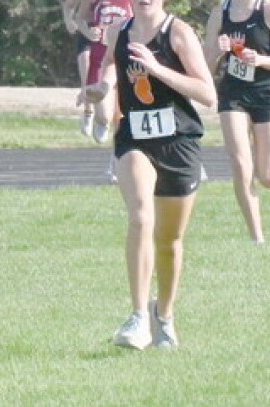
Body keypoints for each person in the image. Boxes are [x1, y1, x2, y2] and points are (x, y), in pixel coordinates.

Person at [80, 0, 216, 349]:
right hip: (134, 138)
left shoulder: (180, 34)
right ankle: (138, 316)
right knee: (141, 216)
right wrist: (102, 88)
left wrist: (157, 68)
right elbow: (112, 64)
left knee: (169, 242)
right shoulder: (117, 32)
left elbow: (207, 94)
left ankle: (164, 316)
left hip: (178, 142)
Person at [204, 0, 270, 244]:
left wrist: (260, 60)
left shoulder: (268, 11)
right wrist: (218, 49)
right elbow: (205, 66)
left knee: (268, 178)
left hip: (268, 91)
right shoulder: (219, 14)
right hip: (233, 93)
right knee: (240, 163)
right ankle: (256, 237)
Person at [75, 0, 132, 143]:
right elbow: (80, 18)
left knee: (127, 113)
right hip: (101, 56)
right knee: (105, 115)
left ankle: (122, 152)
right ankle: (100, 120)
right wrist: (88, 32)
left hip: (126, 55)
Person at [61, 0, 95, 137]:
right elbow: (68, 5)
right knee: (87, 72)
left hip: (112, 32)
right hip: (88, 30)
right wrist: (68, 20)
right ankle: (88, 111)